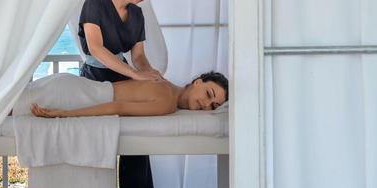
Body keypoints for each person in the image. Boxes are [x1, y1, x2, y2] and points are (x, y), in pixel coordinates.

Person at [78, 0, 162, 188]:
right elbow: (96, 48)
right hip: (94, 77)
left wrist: (148, 73)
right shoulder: (94, 4)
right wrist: (135, 77)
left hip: (124, 77)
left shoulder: (137, 15)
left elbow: (138, 56)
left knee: (136, 139)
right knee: (98, 141)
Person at [30, 71, 229, 118]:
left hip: (70, 84)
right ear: (197, 82)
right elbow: (118, 107)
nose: (206, 104)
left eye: (213, 106)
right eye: (209, 94)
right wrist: (66, 114)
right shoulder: (167, 102)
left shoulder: (161, 79)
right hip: (74, 95)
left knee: (3, 104)